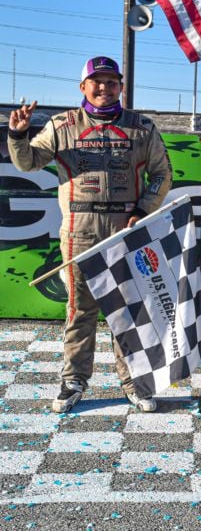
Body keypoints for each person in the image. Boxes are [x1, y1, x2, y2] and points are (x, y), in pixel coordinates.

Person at [7, 56, 173, 414]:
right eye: (96, 82)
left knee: (126, 311)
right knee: (80, 310)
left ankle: (134, 381)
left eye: (111, 82)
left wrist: (143, 210)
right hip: (79, 231)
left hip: (125, 230)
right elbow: (28, 162)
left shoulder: (142, 128)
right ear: (82, 87)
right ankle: (74, 380)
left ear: (121, 87)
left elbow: (162, 174)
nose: (104, 88)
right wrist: (18, 135)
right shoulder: (62, 124)